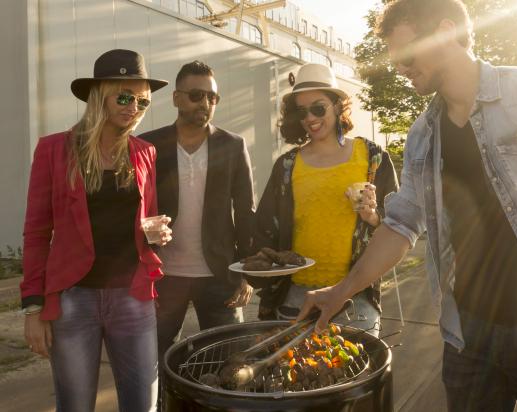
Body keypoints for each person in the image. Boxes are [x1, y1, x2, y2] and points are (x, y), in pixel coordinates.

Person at [298, 1, 517, 411]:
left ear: (447, 33)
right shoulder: (423, 136)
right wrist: (340, 291)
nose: (399, 67)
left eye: (406, 53)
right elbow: (399, 225)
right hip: (467, 333)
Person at [21, 49, 171, 412]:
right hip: (74, 299)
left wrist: (156, 235)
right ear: (98, 96)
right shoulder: (54, 150)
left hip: (133, 297)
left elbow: (147, 218)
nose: (133, 108)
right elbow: (37, 232)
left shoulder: (145, 152)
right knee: (75, 405)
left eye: (143, 102)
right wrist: (33, 308)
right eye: (124, 97)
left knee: (143, 405)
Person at [250, 63, 398, 336]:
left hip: (355, 297)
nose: (310, 118)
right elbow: (265, 231)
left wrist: (373, 216)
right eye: (301, 111)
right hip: (295, 298)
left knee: (355, 376)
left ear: (339, 106)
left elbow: (399, 226)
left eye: (318, 108)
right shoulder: (287, 165)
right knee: (293, 376)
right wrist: (250, 275)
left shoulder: (372, 158)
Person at [140, 61, 255, 365]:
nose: (205, 103)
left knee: (230, 362)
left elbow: (245, 211)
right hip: (162, 276)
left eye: (212, 97)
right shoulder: (148, 146)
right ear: (176, 98)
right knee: (156, 362)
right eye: (196, 95)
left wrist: (247, 273)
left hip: (219, 275)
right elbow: (135, 207)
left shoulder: (232, 145)